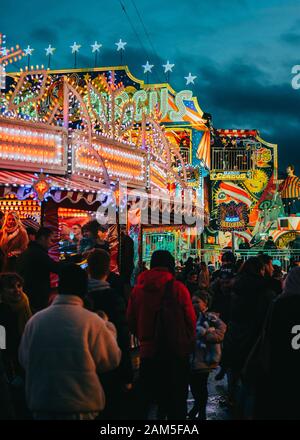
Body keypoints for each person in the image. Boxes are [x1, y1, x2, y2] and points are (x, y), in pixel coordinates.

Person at [19, 264, 121, 420]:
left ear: (59, 287)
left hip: (42, 405)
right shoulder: (92, 322)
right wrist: (110, 328)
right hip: (80, 406)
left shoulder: (35, 321)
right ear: (84, 289)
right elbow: (110, 360)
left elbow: (25, 360)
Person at [127, 250, 196, 420]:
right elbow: (190, 321)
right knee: (176, 404)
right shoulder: (178, 288)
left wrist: (146, 337)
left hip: (148, 353)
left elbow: (130, 320)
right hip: (175, 353)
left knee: (148, 402)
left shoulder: (137, 289)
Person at [221, 257, 275, 411]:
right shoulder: (265, 290)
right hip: (254, 338)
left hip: (234, 334)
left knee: (235, 370)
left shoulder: (235, 287)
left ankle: (233, 400)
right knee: (251, 380)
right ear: (261, 269)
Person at [86, 249, 133, 419]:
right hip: (109, 365)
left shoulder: (81, 296)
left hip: (85, 368)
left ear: (88, 269)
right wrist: (126, 374)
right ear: (107, 270)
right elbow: (122, 336)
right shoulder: (114, 298)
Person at [189, 296, 226, 420]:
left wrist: (207, 335)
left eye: (197, 302)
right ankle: (197, 407)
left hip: (205, 358)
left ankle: (201, 411)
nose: (194, 304)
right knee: (194, 386)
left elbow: (222, 330)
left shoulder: (211, 316)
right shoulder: (189, 315)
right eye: (192, 301)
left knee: (201, 386)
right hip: (191, 357)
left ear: (205, 303)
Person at [16, 227, 63, 312]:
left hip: (28, 293)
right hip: (36, 296)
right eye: (50, 240)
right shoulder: (38, 253)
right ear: (42, 238)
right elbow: (56, 267)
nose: (51, 244)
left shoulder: (29, 251)